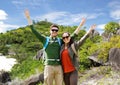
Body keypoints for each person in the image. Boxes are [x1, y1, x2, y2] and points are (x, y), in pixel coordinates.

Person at [24, 9, 86, 85]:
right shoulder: (45, 40)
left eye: (56, 30)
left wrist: (81, 25)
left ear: (57, 32)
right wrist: (28, 18)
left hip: (59, 66)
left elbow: (72, 36)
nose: (54, 31)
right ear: (50, 31)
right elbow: (34, 31)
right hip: (48, 66)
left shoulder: (60, 40)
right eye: (53, 30)